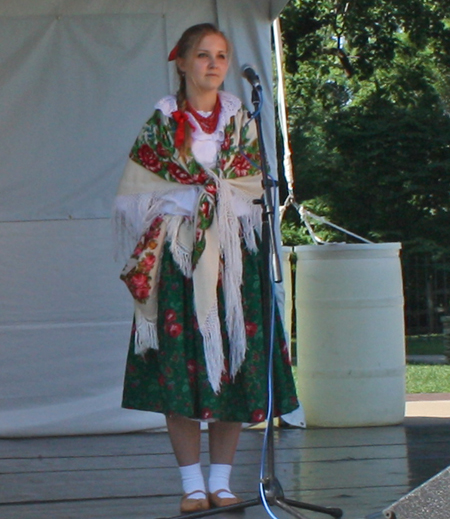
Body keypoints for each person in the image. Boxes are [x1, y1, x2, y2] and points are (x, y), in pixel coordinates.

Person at [113, 22, 299, 514]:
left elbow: (252, 181)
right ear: (182, 62)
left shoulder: (239, 118)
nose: (214, 64)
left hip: (235, 259)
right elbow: (138, 189)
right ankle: (191, 485)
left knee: (233, 361)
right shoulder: (164, 118)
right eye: (203, 55)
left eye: (221, 55)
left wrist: (218, 198)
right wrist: (191, 202)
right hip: (181, 258)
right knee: (182, 369)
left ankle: (222, 481)